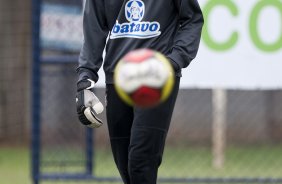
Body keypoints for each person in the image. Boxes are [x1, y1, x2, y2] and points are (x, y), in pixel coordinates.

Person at [76, 0, 204, 183]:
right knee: (125, 167)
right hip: (117, 78)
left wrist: (174, 60)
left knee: (140, 162)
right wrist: (85, 79)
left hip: (157, 77)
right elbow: (93, 30)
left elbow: (193, 20)